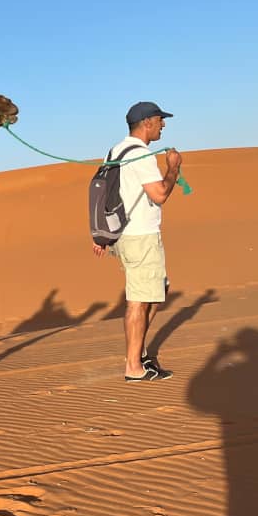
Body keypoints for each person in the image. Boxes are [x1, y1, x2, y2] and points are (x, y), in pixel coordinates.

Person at [92, 101, 184, 382]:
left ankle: (137, 351)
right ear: (147, 123)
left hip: (125, 235)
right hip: (140, 235)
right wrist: (173, 168)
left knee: (158, 289)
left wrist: (101, 235)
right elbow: (159, 194)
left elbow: (103, 192)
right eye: (160, 120)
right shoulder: (141, 156)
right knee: (138, 300)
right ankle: (134, 366)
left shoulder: (117, 150)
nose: (163, 125)